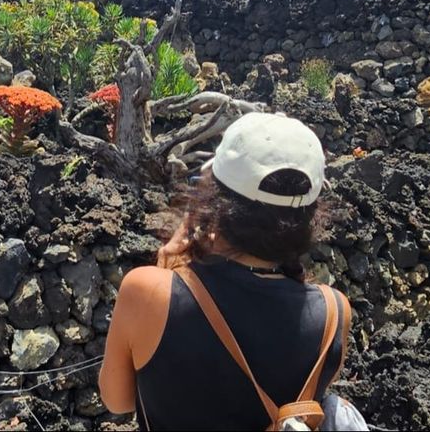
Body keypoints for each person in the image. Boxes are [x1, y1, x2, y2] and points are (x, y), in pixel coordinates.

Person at [99, 113, 352, 431]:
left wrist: (176, 261)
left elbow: (117, 400)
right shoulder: (334, 312)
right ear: (309, 215)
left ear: (212, 200)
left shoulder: (147, 290)